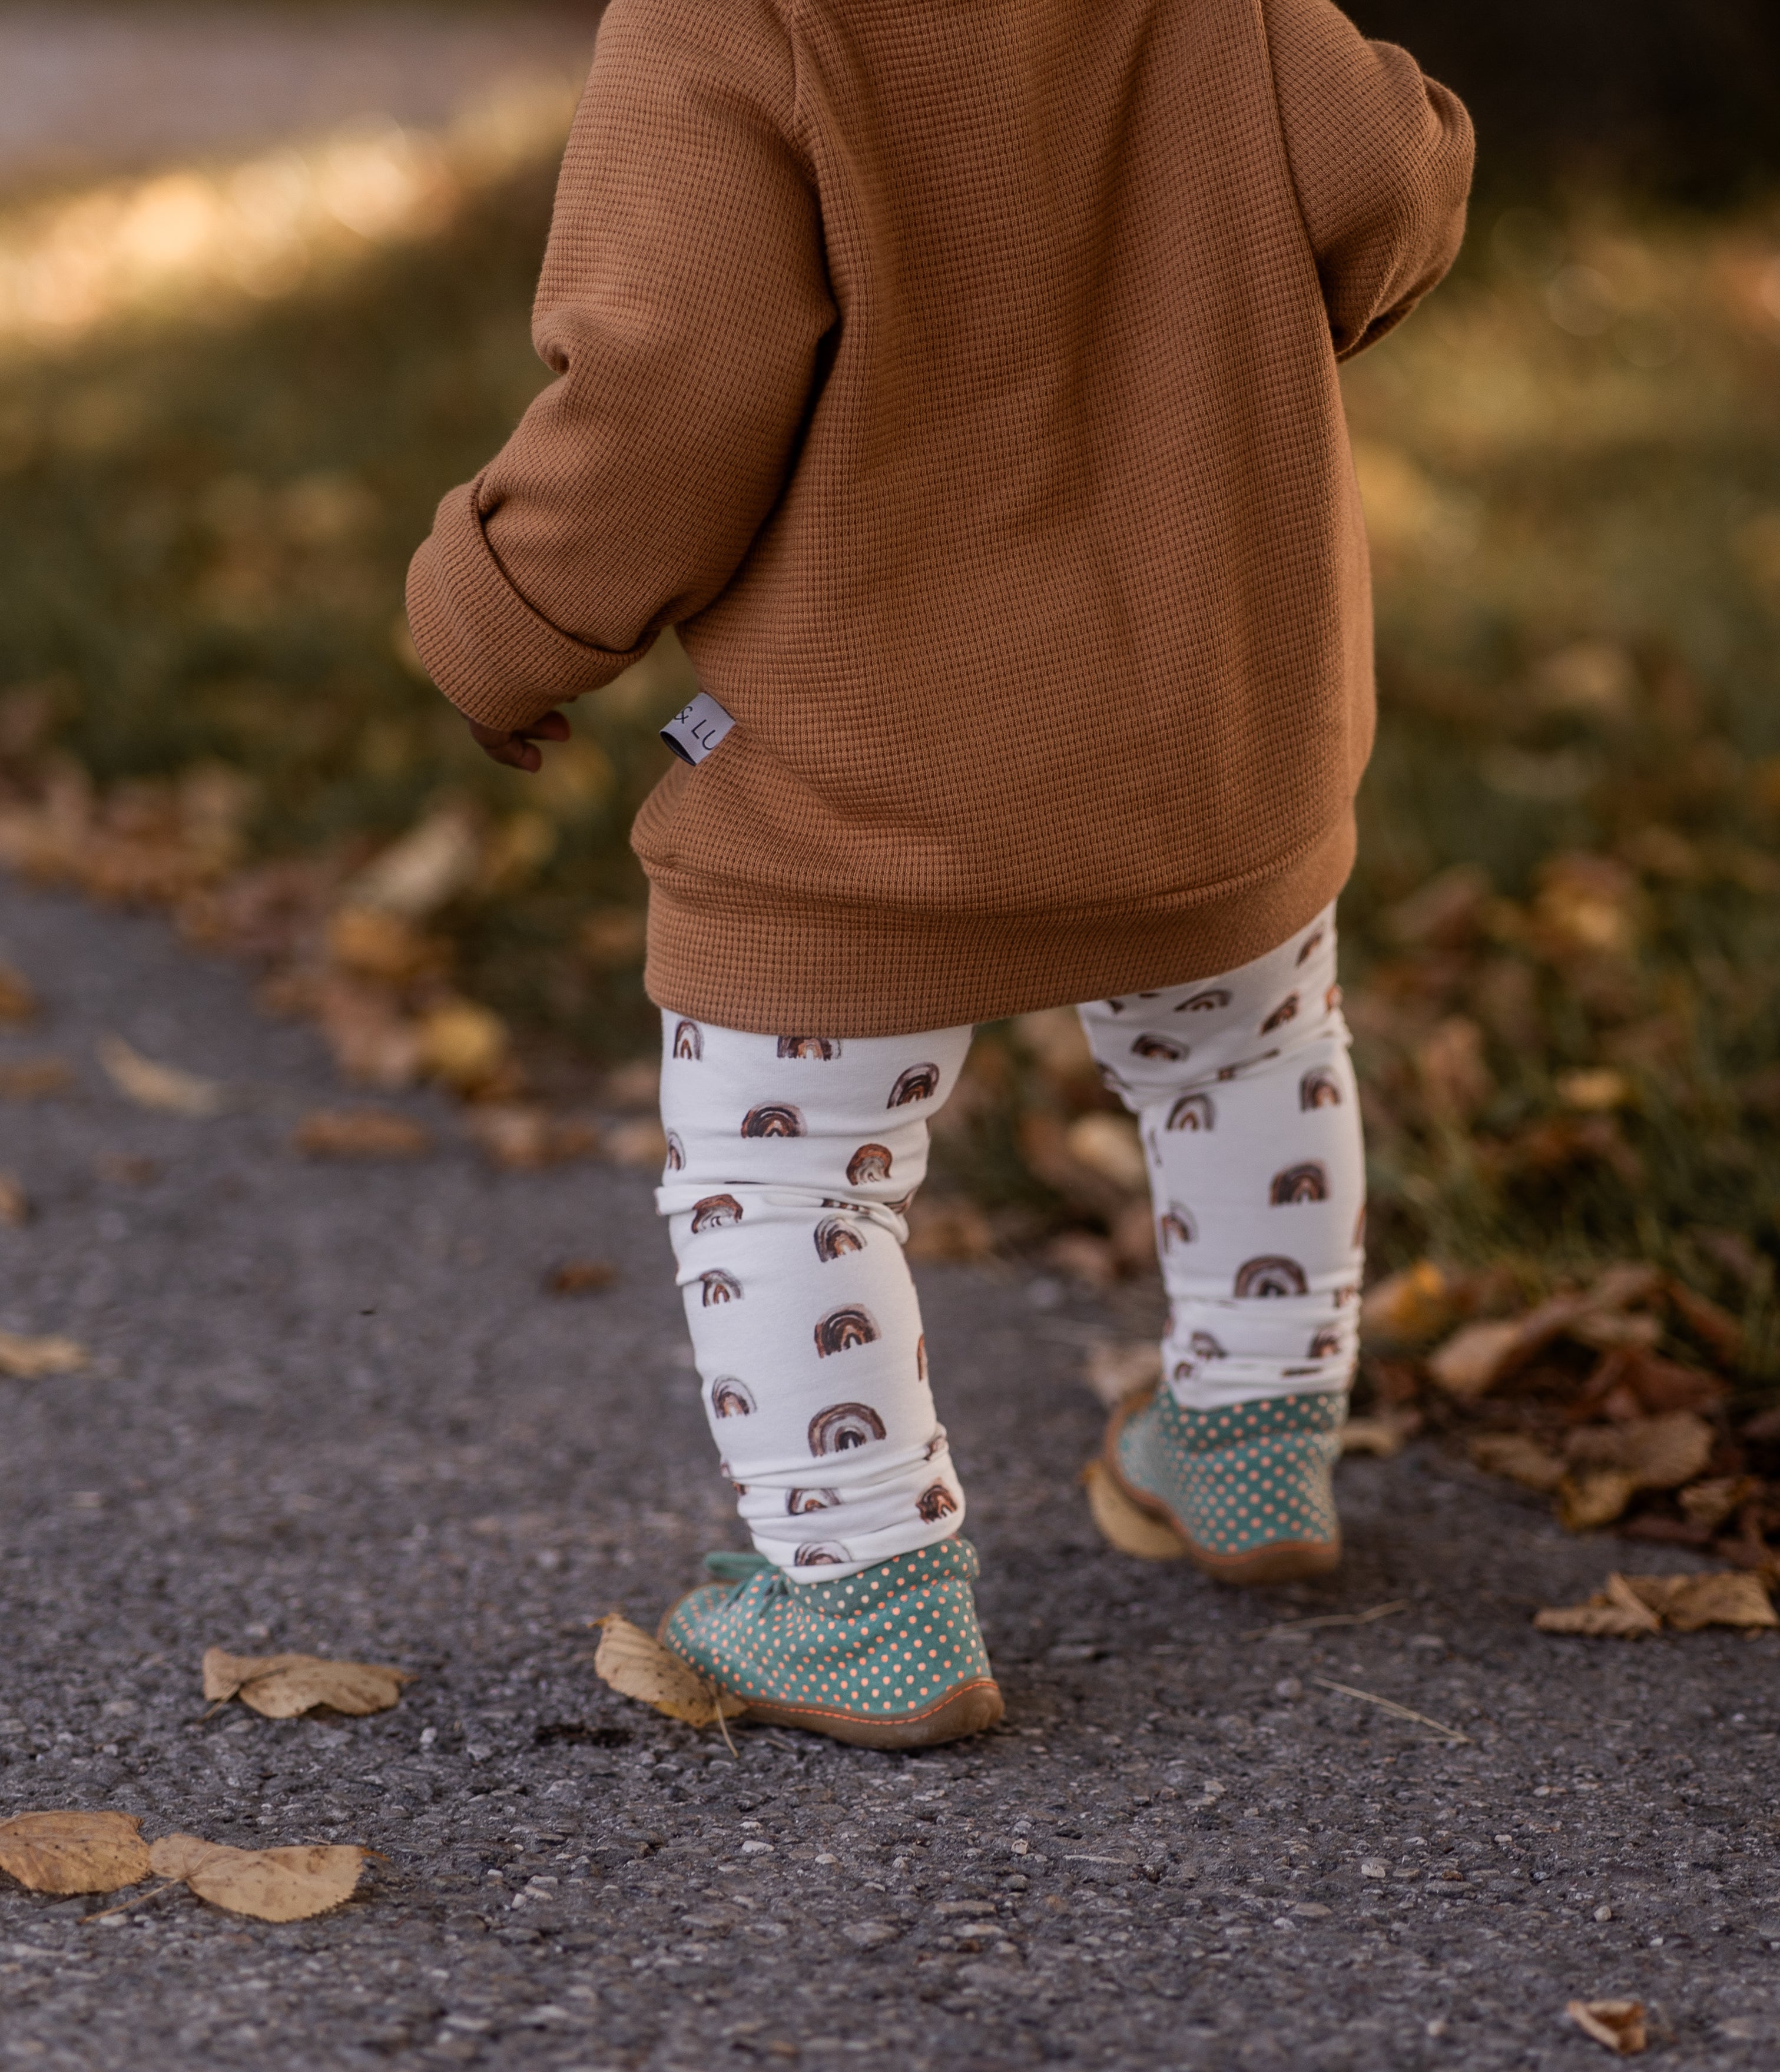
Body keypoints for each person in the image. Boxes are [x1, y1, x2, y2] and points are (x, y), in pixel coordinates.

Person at [406, 0, 1473, 1749]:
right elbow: (1387, 175)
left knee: (787, 1159)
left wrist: (501, 614)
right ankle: (1255, 1447)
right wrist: (1233, 347)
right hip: (1210, 703)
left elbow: (673, 364)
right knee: (1250, 1044)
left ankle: (862, 1593)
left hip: (876, 750)